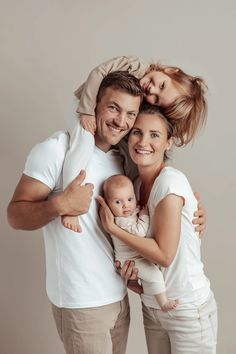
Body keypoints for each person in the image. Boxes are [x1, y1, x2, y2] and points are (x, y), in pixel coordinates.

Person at [7, 71, 206, 354]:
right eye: (113, 108)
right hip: (81, 303)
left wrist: (193, 213)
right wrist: (60, 205)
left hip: (119, 297)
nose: (120, 121)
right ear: (95, 105)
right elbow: (15, 215)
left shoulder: (123, 160)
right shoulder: (56, 150)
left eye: (130, 114)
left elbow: (146, 215)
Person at [97, 103, 217, 354]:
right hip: (153, 306)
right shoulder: (135, 185)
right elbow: (146, 255)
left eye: (155, 135)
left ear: (169, 142)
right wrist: (131, 276)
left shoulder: (170, 182)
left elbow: (164, 254)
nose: (143, 141)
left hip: (186, 308)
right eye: (137, 132)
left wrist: (114, 228)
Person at [62, 55, 208, 231]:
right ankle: (70, 205)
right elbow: (99, 72)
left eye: (156, 99)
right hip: (83, 106)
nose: (152, 91)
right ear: (170, 71)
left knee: (135, 164)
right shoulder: (135, 66)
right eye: (162, 85)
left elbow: (153, 165)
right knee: (83, 143)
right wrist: (86, 111)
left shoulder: (128, 155)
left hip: (119, 251)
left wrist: (186, 204)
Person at [103, 174, 179, 311]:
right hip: (130, 259)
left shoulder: (128, 213)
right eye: (118, 202)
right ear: (108, 204)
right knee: (155, 274)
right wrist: (144, 216)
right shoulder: (120, 221)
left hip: (134, 256)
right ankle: (164, 303)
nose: (126, 205)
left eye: (129, 199)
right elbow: (139, 232)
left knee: (150, 273)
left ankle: (133, 284)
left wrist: (137, 211)